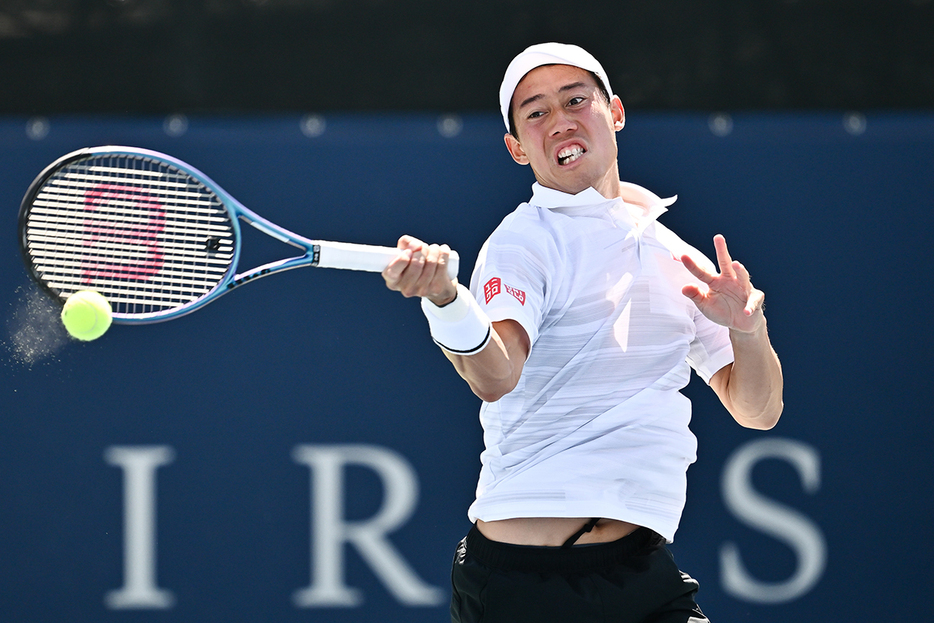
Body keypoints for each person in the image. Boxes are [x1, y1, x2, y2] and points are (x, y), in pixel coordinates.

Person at [382, 42, 783, 623]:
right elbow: (495, 374)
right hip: (523, 582)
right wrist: (446, 300)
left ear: (614, 112)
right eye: (536, 113)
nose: (560, 121)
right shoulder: (524, 242)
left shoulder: (676, 256)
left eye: (576, 100)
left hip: (643, 569)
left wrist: (749, 329)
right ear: (517, 148)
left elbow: (759, 411)